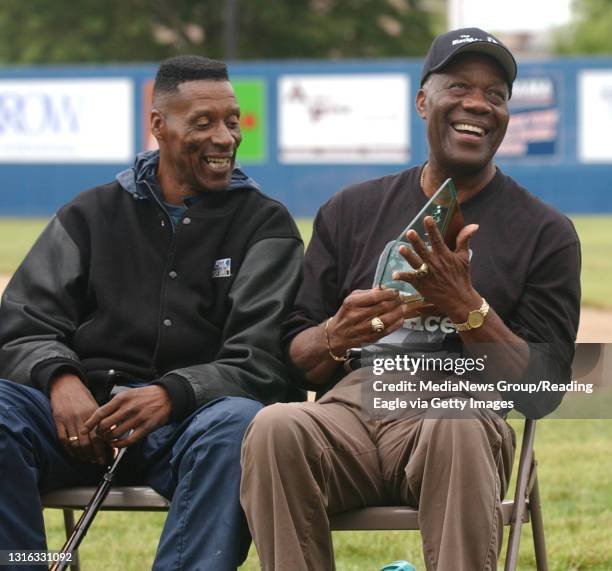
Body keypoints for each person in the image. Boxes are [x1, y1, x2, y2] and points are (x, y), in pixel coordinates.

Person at [240, 28, 581, 571]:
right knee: (275, 427)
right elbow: (295, 358)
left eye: (496, 94)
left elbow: (545, 391)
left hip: (456, 412)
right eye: (459, 87)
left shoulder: (545, 231)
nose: (477, 103)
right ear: (423, 100)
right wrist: (336, 334)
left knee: (458, 422)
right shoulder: (350, 210)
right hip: (354, 406)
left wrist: (464, 305)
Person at [0, 55, 303, 570]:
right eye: (203, 123)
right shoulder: (89, 214)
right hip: (80, 424)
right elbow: (22, 323)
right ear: (159, 125)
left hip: (193, 426)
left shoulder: (266, 225)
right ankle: (23, 563)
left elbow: (266, 360)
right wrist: (59, 379)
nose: (224, 137)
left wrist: (173, 393)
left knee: (241, 424)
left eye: (232, 121)